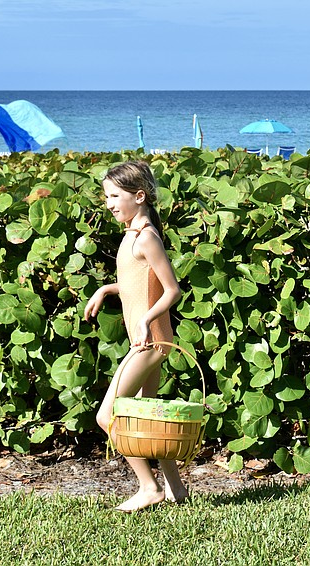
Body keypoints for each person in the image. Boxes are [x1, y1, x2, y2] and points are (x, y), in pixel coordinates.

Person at [83, 161, 188, 512]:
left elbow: (171, 290)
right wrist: (106, 289)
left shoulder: (146, 238)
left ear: (139, 196)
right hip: (147, 341)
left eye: (115, 196)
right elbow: (138, 281)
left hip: (150, 342)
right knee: (146, 416)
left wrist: (146, 319)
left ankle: (149, 487)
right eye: (106, 196)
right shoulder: (133, 235)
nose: (109, 203)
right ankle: (176, 488)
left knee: (106, 416)